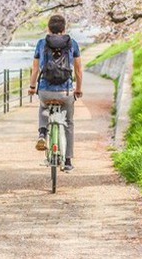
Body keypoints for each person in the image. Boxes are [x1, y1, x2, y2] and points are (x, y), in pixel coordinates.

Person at [28, 14, 83, 172]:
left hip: (45, 90)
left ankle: (42, 134)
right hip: (65, 92)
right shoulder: (72, 43)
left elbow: (36, 69)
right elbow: (78, 70)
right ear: (64, 28)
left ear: (48, 28)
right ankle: (67, 161)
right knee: (69, 123)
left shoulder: (41, 43)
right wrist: (78, 89)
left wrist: (32, 87)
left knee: (43, 107)